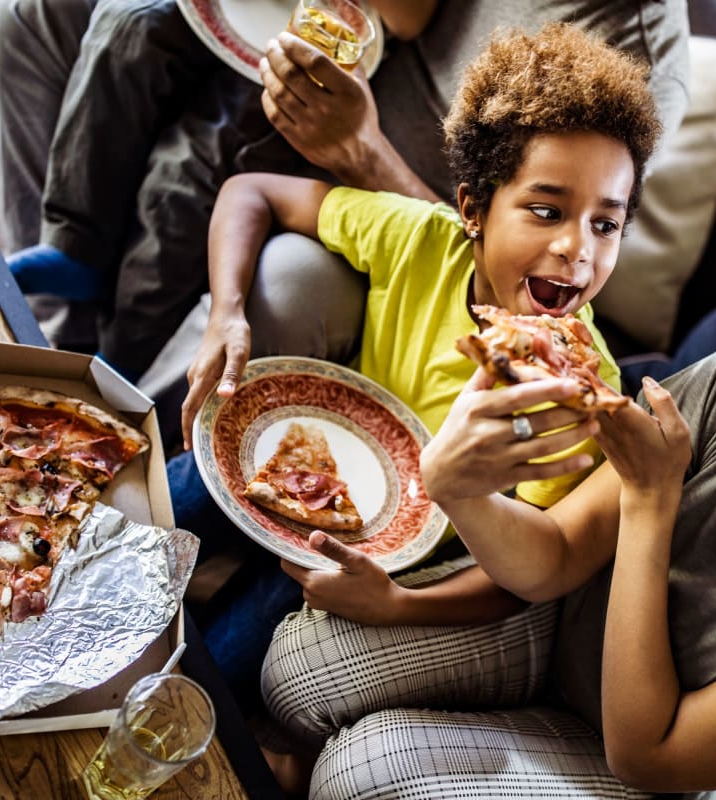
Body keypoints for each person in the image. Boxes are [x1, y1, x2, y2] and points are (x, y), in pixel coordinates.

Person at [259, 110, 716, 799]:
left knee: (363, 774)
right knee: (293, 668)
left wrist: (652, 502)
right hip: (561, 621)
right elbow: (555, 553)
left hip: (637, 762)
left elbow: (651, 755)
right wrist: (459, 489)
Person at [175, 21, 663, 716]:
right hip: (305, 448)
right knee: (133, 522)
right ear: (472, 210)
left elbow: (520, 577)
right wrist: (227, 315)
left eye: (605, 224)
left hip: (381, 555)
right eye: (547, 209)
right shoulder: (422, 239)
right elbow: (251, 192)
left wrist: (397, 604)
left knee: (204, 683)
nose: (575, 249)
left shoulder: (580, 393)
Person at [0, 0, 690, 386]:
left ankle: (114, 380)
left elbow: (489, 235)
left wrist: (358, 151)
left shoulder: (621, 57)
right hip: (317, 53)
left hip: (386, 175)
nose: (582, 247)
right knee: (47, 14)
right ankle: (55, 309)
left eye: (604, 230)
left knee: (194, 170)